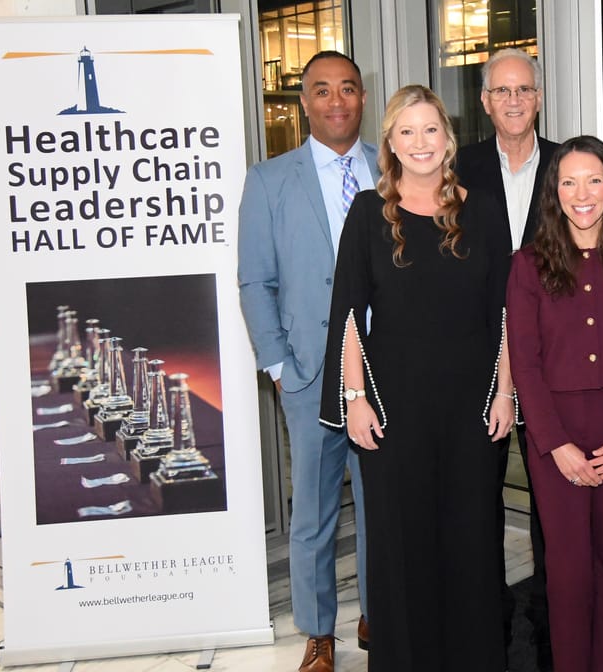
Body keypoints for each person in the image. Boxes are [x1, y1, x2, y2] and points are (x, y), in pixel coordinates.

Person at [319, 84, 514, 672]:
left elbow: (504, 312)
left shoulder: (481, 208)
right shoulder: (366, 214)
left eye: (431, 129)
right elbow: (349, 314)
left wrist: (506, 391)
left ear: (448, 139)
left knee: (472, 539)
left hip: (474, 404)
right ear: (391, 143)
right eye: (407, 131)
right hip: (393, 405)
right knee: (402, 546)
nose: (420, 142)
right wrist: (354, 398)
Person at [506, 135, 603, 672]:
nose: (582, 193)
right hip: (558, 440)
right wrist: (554, 447)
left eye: (593, 180)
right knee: (569, 572)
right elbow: (524, 363)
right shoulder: (528, 265)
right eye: (569, 181)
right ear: (553, 191)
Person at [237, 50, 375, 672]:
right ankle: (318, 632)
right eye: (322, 90)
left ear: (363, 97)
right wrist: (278, 367)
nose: (337, 100)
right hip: (310, 374)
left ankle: (379, 612)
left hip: (387, 373)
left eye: (347, 88)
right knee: (314, 513)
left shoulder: (393, 168)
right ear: (303, 103)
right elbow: (255, 282)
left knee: (384, 506)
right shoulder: (269, 180)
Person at [454, 46, 558, 665]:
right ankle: (485, 612)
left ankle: (551, 611)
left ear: (538, 97)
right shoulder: (459, 170)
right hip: (480, 361)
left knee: (551, 496)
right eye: (502, 91)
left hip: (554, 359)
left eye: (524, 90)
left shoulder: (573, 164)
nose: (514, 101)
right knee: (480, 493)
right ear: (486, 101)